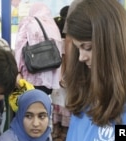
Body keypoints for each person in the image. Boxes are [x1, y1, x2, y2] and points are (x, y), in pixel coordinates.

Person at [64, 0, 126, 140]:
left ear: (112, 45)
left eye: (87, 48)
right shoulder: (85, 91)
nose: (81, 58)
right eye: (78, 49)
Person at [15, 2, 62, 95]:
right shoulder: (53, 25)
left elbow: (20, 46)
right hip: (49, 78)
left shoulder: (28, 21)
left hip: (31, 74)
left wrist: (17, 70)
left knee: (29, 103)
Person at [51, 5, 70, 141]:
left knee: (57, 105)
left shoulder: (57, 41)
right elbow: (66, 60)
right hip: (65, 78)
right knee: (65, 105)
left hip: (56, 79)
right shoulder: (68, 41)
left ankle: (56, 131)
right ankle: (63, 133)